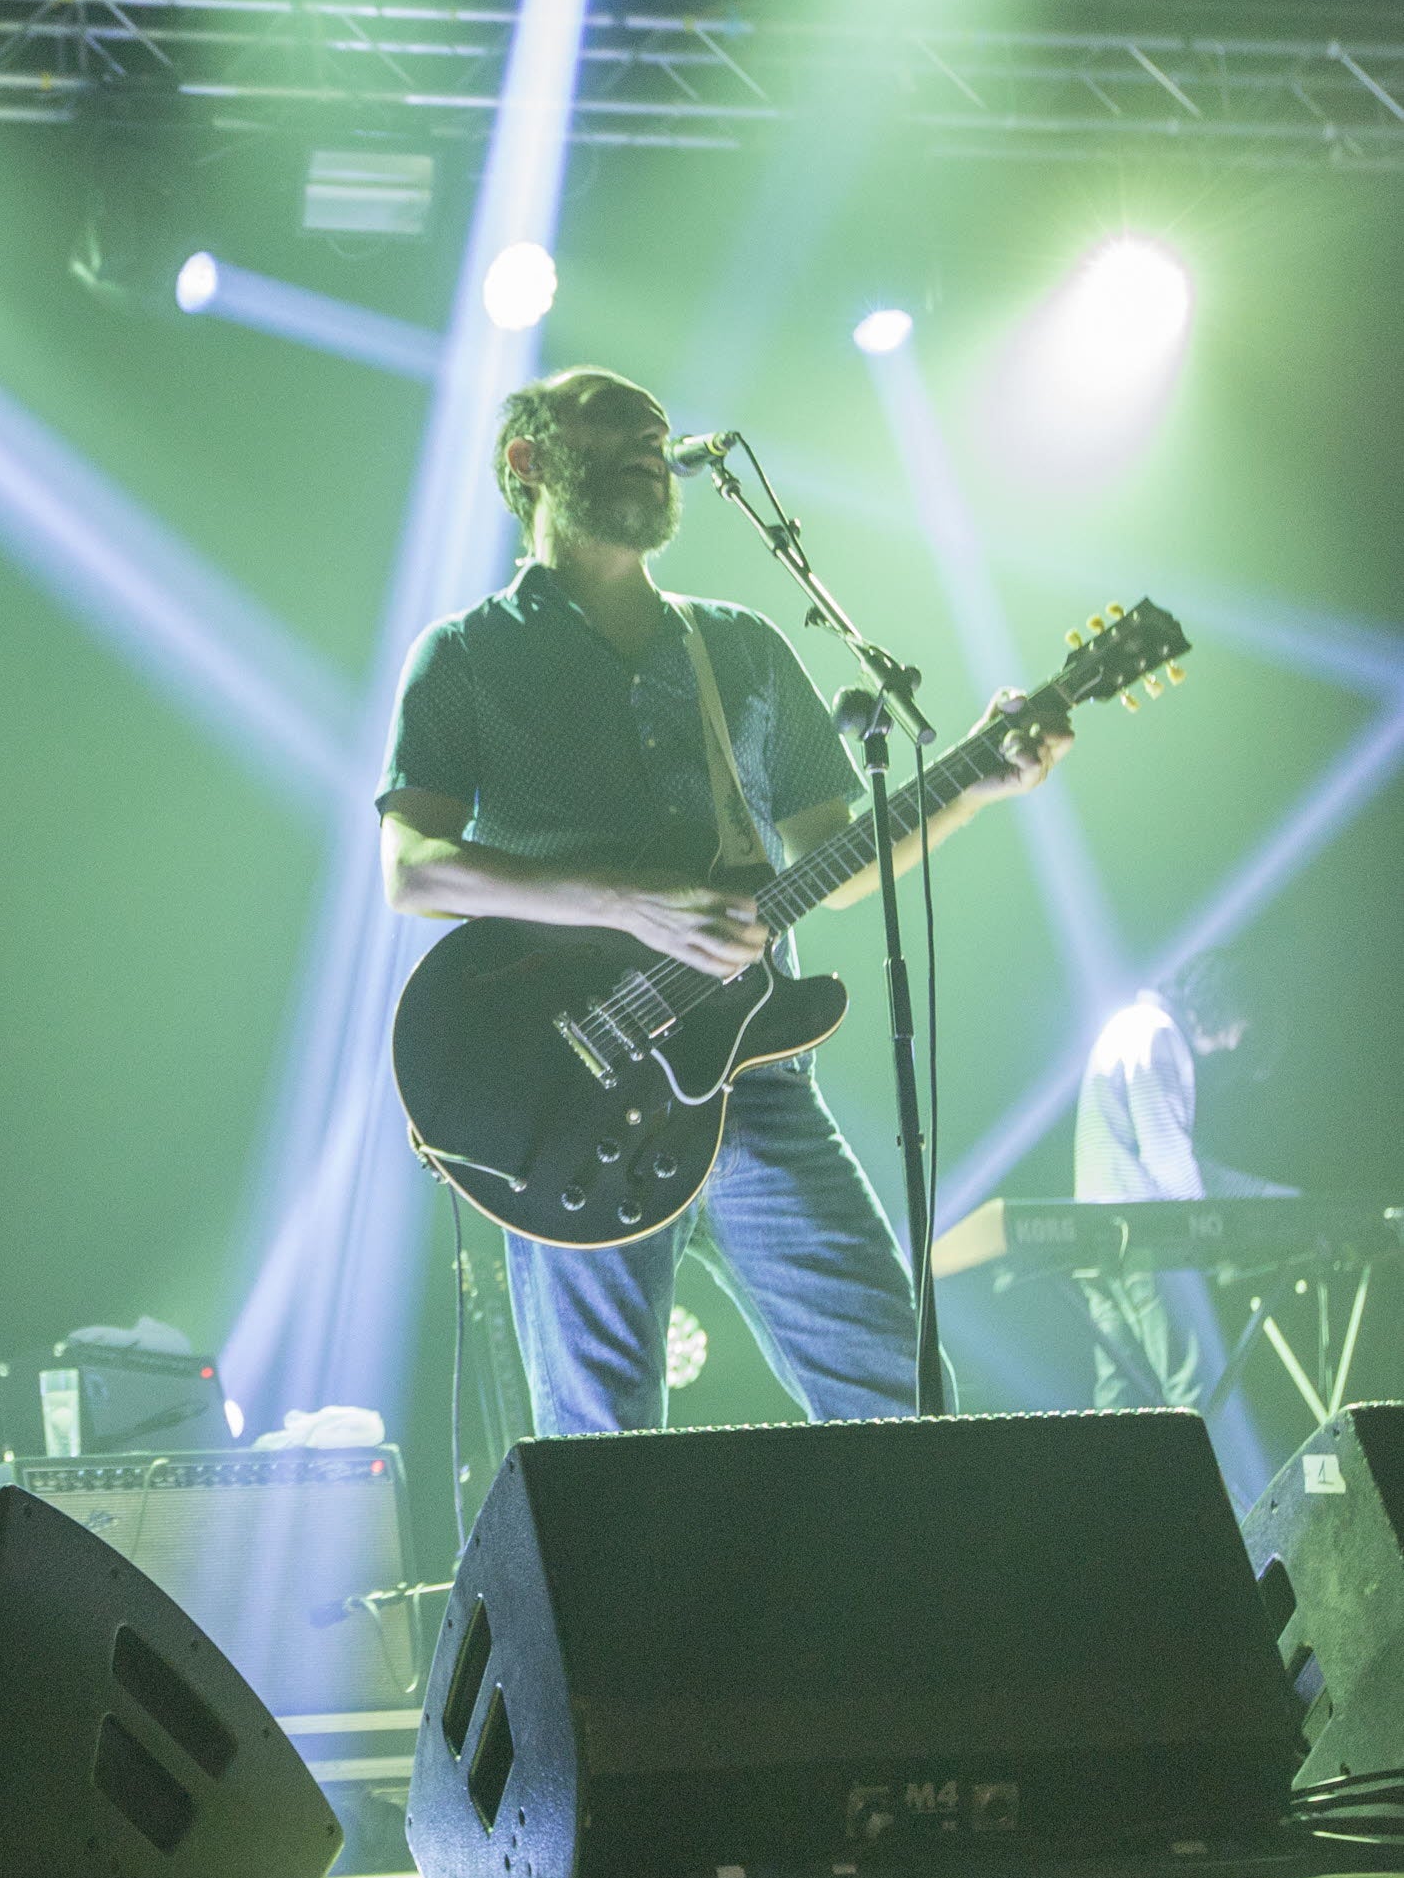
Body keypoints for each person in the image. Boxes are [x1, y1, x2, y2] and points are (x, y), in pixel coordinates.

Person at [377, 366, 1071, 1436]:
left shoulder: (740, 647)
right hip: (574, 1091)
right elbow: (415, 867)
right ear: (527, 460)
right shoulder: (468, 656)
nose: (652, 433)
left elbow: (832, 859)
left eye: (657, 425)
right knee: (603, 1453)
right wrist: (627, 903)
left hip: (760, 1084)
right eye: (612, 418)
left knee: (907, 1406)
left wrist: (978, 783)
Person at [1074, 950, 1288, 1453]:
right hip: (1145, 1243)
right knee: (1199, 1393)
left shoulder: (1132, 1028)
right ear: (1222, 1003)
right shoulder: (1158, 1035)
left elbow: (1178, 1155)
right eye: (1241, 1025)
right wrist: (1211, 1240)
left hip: (1096, 1239)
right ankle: (1223, 1517)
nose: (1236, 1041)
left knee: (1120, 1401)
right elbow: (1169, 1159)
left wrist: (1269, 1198)